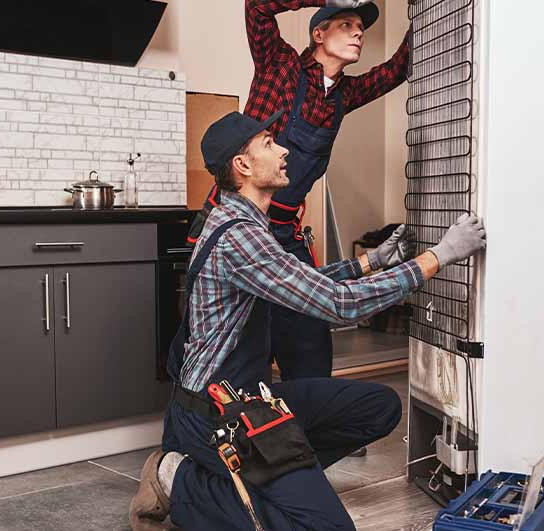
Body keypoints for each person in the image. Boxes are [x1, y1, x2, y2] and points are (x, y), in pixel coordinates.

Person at [129, 111, 486, 530]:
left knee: (379, 407)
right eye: (268, 143)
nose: (283, 150)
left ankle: (274, 480)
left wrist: (370, 262)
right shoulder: (240, 236)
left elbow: (300, 285)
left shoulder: (242, 223)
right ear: (242, 166)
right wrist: (439, 256)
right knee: (324, 528)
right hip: (215, 415)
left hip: (252, 399)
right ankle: (179, 478)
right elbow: (338, 305)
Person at [189, 0, 415, 387]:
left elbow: (397, 69)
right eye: (346, 23)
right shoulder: (281, 66)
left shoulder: (344, 95)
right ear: (319, 33)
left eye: (361, 27)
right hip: (239, 224)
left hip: (285, 233)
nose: (359, 32)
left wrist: (428, 14)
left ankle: (316, 422)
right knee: (239, 342)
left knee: (309, 339)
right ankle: (230, 431)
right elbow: (257, 7)